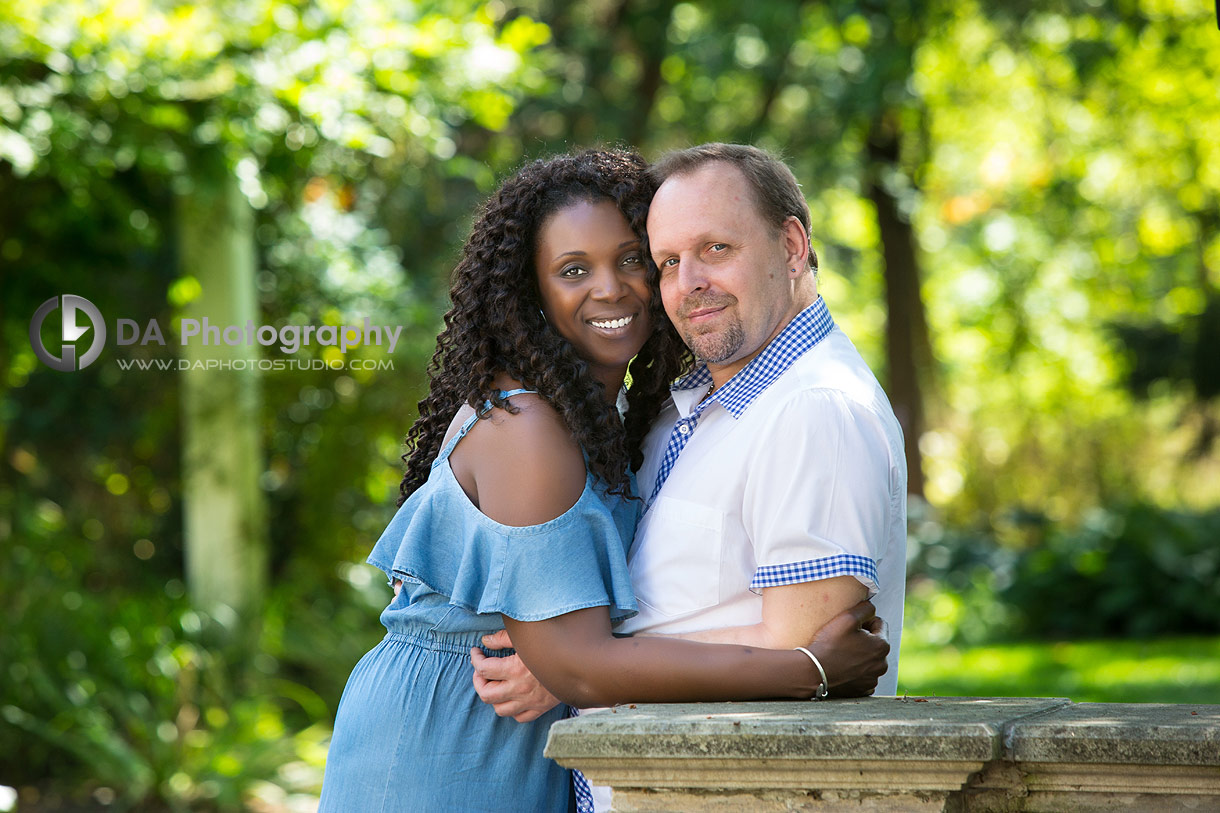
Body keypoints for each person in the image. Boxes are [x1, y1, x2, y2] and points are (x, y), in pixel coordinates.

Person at [318, 148, 890, 813]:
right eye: (572, 270)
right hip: (445, 740)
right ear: (533, 292)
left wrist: (566, 670)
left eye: (632, 260)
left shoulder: (615, 417)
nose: (611, 288)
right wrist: (810, 668)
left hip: (536, 748)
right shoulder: (527, 426)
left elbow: (574, 657)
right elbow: (579, 661)